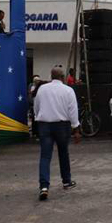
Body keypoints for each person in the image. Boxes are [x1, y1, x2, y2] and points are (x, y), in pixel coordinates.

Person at [34, 66, 80, 201]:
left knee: (45, 156)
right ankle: (66, 181)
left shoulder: (42, 89)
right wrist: (76, 128)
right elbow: (73, 110)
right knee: (63, 153)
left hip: (44, 125)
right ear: (63, 77)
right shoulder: (68, 90)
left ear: (51, 76)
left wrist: (38, 118)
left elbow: (36, 107)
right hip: (62, 125)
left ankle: (44, 187)